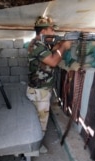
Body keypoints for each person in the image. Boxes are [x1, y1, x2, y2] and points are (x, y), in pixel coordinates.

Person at [26, 16, 72, 153]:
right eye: (52, 29)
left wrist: (59, 46)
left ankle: (31, 146)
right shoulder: (37, 45)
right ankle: (33, 149)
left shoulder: (40, 44)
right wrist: (63, 47)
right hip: (39, 91)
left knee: (36, 120)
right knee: (40, 123)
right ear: (44, 31)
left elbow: (50, 54)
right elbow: (52, 61)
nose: (54, 33)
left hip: (39, 90)